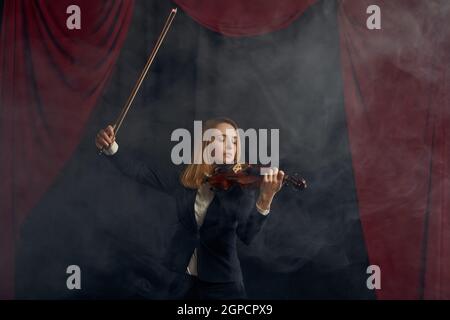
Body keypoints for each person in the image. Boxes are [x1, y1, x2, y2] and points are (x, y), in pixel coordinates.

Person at [95, 117, 284, 299]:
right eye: (221, 139)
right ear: (205, 144)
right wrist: (112, 148)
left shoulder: (240, 188)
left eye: (234, 142)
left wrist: (266, 198)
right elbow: (141, 172)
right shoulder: (185, 181)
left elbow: (247, 235)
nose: (229, 147)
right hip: (180, 277)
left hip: (222, 282)